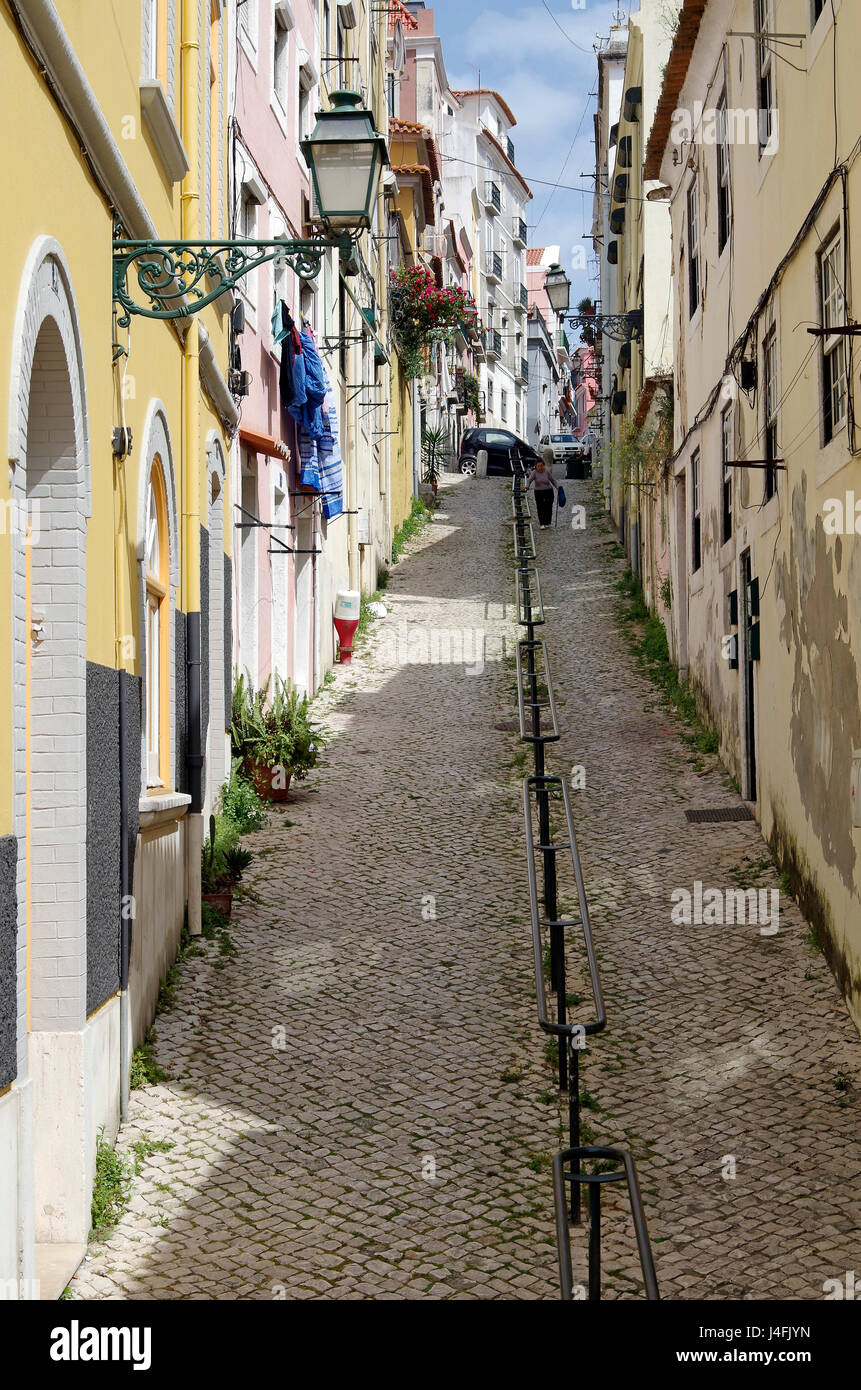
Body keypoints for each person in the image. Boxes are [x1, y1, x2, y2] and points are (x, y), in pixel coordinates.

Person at [525, 448, 559, 528]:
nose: (540, 468)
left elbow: (553, 480)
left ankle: (547, 522)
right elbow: (529, 480)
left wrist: (557, 486)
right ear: (536, 466)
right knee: (540, 507)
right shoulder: (534, 473)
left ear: (543, 465)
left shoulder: (546, 471)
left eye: (541, 466)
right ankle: (542, 523)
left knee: (548, 507)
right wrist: (527, 486)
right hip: (539, 492)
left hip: (548, 491)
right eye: (538, 466)